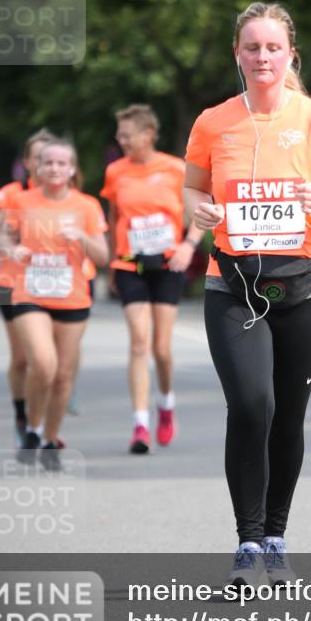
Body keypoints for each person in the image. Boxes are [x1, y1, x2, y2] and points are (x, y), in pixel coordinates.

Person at [184, 2, 311, 587]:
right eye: (252, 47)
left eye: (273, 48)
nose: (263, 57)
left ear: (291, 55)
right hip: (232, 286)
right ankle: (247, 542)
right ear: (237, 54)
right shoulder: (213, 122)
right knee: (252, 404)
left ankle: (277, 536)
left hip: (304, 290)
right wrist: (200, 211)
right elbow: (190, 192)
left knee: (288, 417)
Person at [101, 105, 203, 454]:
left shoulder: (175, 169)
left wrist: (188, 247)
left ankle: (167, 405)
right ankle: (140, 424)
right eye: (119, 134)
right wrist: (113, 261)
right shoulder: (116, 172)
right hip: (131, 265)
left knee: (161, 348)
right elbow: (114, 216)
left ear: (148, 134)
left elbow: (201, 214)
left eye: (126, 134)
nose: (121, 140)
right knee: (139, 344)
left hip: (168, 265)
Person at [10, 139, 108, 467]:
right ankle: (32, 428)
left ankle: (50, 439)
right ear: (36, 166)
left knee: (64, 375)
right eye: (47, 162)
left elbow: (103, 256)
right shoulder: (21, 201)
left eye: (61, 163)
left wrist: (82, 237)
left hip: (72, 295)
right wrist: (11, 249)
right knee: (43, 364)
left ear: (72, 169)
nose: (53, 168)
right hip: (30, 293)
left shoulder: (87, 206)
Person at [0, 128, 55, 445]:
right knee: (22, 358)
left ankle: (47, 419)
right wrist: (10, 246)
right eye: (38, 157)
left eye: (50, 157)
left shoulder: (65, 195)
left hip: (58, 284)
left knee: (53, 358)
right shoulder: (12, 194)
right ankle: (22, 413)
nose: (45, 164)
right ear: (28, 162)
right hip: (15, 282)